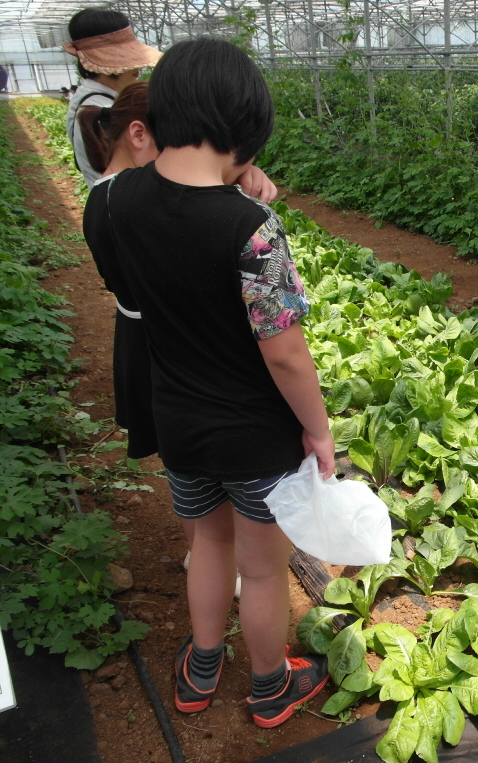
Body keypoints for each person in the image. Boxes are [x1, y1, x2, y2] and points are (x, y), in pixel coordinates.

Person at [82, 37, 333, 728]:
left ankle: (200, 666)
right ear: (245, 129)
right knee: (261, 569)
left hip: (178, 423)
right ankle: (269, 685)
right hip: (256, 437)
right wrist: (317, 429)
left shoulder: (111, 202)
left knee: (206, 545)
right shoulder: (250, 228)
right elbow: (284, 353)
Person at [80, 82, 279, 599]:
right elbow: (193, 226)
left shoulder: (122, 195)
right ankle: (209, 558)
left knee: (190, 466)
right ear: (144, 135)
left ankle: (212, 557)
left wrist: (236, 177)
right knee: (191, 471)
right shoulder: (116, 202)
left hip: (159, 337)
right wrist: (231, 188)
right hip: (163, 341)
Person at [64, 9, 161, 187]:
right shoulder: (102, 108)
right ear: (109, 63)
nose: (137, 71)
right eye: (128, 60)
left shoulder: (86, 98)